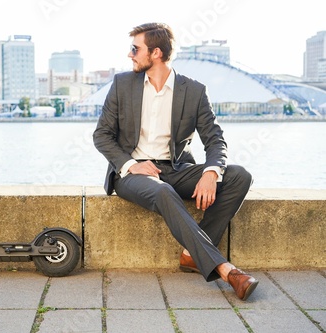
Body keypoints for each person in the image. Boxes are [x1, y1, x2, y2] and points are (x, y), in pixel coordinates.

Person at [93, 22, 258, 301]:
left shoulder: (193, 91)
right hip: (132, 173)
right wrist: (131, 164)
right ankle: (227, 270)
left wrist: (210, 173)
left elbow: (215, 140)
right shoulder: (122, 84)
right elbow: (102, 135)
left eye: (135, 49)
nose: (130, 54)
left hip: (175, 168)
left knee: (239, 176)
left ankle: (192, 255)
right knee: (162, 190)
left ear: (156, 53)